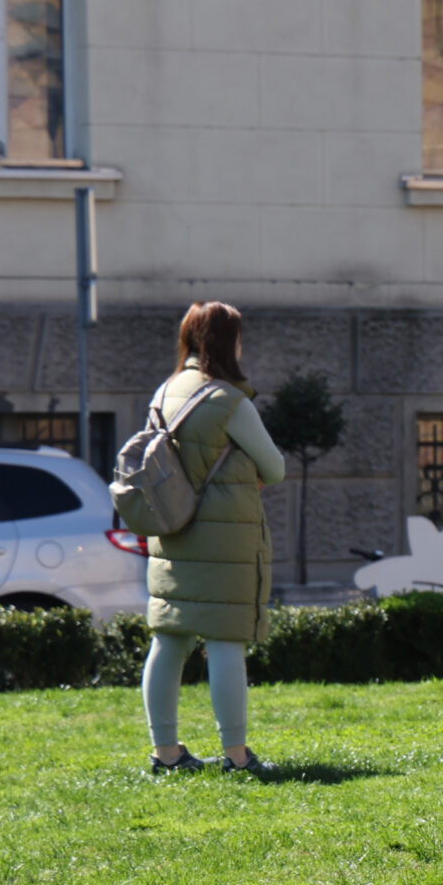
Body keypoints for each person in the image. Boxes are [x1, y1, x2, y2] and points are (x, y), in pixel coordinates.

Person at [142, 302, 287, 777]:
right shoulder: (228, 401)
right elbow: (276, 467)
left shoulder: (165, 392)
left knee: (169, 639)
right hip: (225, 541)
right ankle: (238, 756)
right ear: (228, 343)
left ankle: (166, 753)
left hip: (172, 530)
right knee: (226, 641)